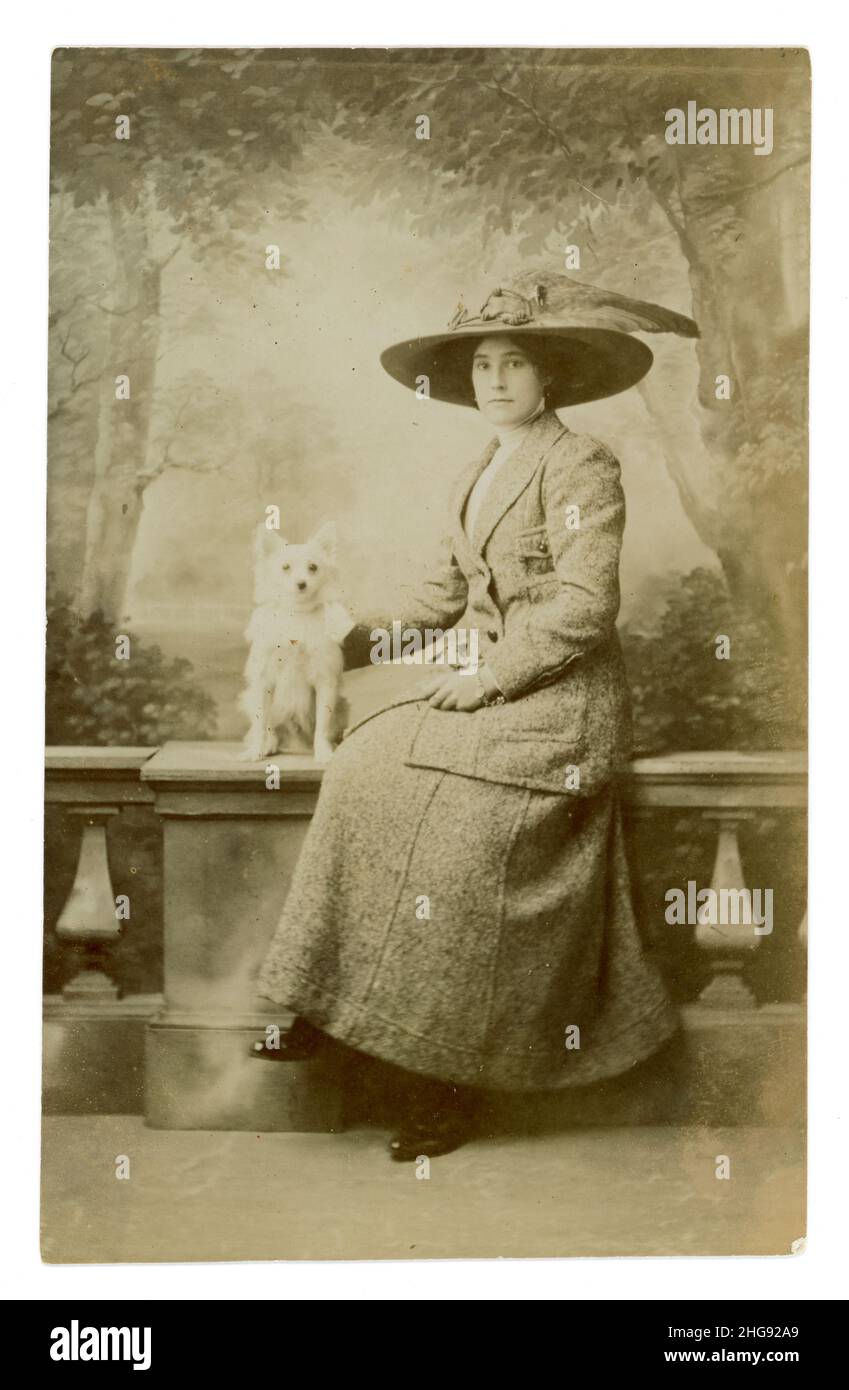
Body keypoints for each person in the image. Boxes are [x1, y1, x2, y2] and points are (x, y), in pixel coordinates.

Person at [252, 271, 695, 1161]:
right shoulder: (476, 469)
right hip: (491, 685)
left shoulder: (579, 463)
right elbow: (438, 593)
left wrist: (491, 679)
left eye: (514, 363)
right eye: (483, 365)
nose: (494, 380)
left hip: (558, 699)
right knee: (364, 766)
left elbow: (581, 606)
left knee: (460, 844)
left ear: (548, 378)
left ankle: (445, 1084)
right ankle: (323, 1005)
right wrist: (339, 641)